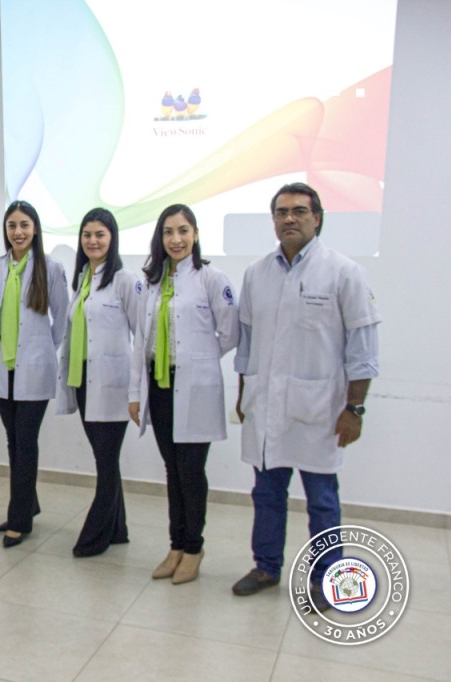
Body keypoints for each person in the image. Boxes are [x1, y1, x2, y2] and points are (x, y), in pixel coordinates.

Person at [231, 183, 380, 608]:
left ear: (317, 218)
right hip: (266, 407)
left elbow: (363, 349)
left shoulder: (343, 272)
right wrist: (243, 396)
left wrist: (354, 409)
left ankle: (326, 578)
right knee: (267, 494)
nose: (289, 218)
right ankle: (266, 566)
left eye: (299, 211)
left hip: (321, 408)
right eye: (281, 212)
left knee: (322, 500)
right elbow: (247, 343)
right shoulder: (256, 273)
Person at [128, 204, 239, 584]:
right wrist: (134, 394)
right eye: (168, 232)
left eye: (183, 231)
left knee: (191, 471)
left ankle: (194, 547)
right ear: (159, 238)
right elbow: (140, 340)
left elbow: (230, 333)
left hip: (195, 388)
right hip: (159, 388)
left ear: (195, 234)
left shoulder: (211, 278)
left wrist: (199, 360)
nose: (176, 239)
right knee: (171, 470)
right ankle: (175, 545)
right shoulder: (152, 281)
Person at [56, 208, 139, 557]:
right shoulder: (83, 280)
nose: (93, 241)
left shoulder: (125, 280)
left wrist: (137, 390)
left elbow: (142, 335)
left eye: (100, 234)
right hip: (84, 382)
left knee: (106, 462)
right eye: (87, 235)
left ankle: (95, 536)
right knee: (105, 459)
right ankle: (117, 529)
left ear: (112, 238)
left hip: (112, 385)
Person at [0, 200, 68, 548]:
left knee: (25, 442)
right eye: (11, 226)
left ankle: (19, 519)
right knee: (13, 442)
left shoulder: (50, 268)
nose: (17, 232)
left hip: (34, 368)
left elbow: (62, 318)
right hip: (4, 368)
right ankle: (27, 504)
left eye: (24, 225)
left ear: (35, 229)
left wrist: (41, 349)